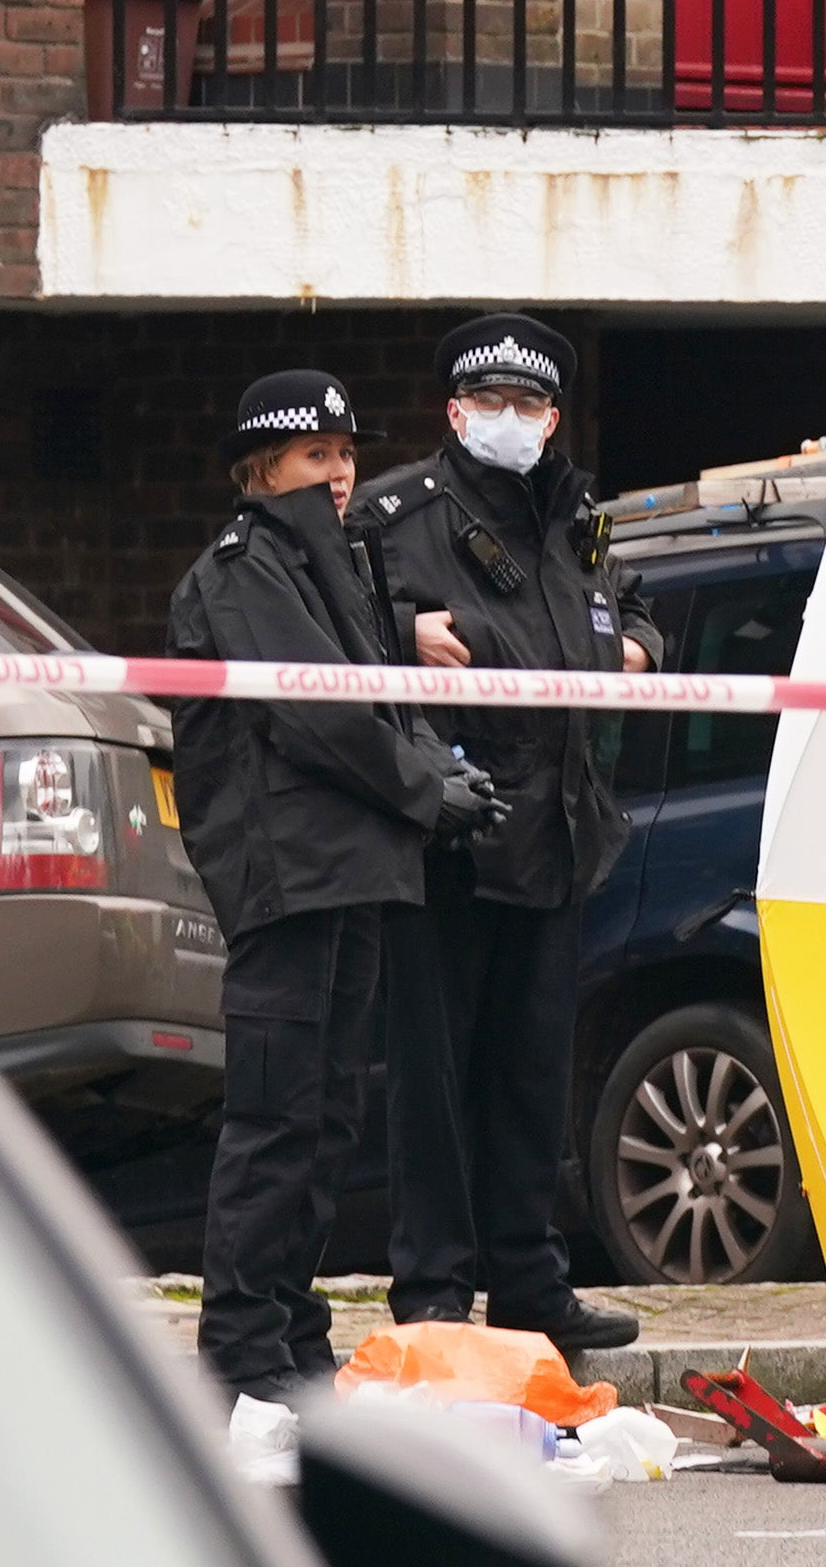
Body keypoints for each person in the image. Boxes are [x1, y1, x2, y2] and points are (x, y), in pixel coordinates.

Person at [168, 369, 501, 1411]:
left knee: (328, 1123)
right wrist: (421, 790)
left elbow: (374, 701)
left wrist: (435, 772)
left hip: (354, 873)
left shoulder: (333, 563)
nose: (343, 473)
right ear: (263, 469)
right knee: (277, 1118)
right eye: (318, 456)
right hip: (290, 882)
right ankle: (240, 1344)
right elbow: (318, 715)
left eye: (349, 454)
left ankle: (288, 1327)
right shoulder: (246, 568)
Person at [355, 311, 661, 1358]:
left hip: (558, 829)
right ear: (453, 410)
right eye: (490, 401)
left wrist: (642, 648)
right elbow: (325, 620)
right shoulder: (401, 512)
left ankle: (530, 1284)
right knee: (435, 1079)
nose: (510, 419)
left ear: (553, 416)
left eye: (528, 404)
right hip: (451, 835)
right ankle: (434, 1291)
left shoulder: (575, 516)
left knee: (532, 1074)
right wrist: (401, 633)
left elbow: (625, 608)